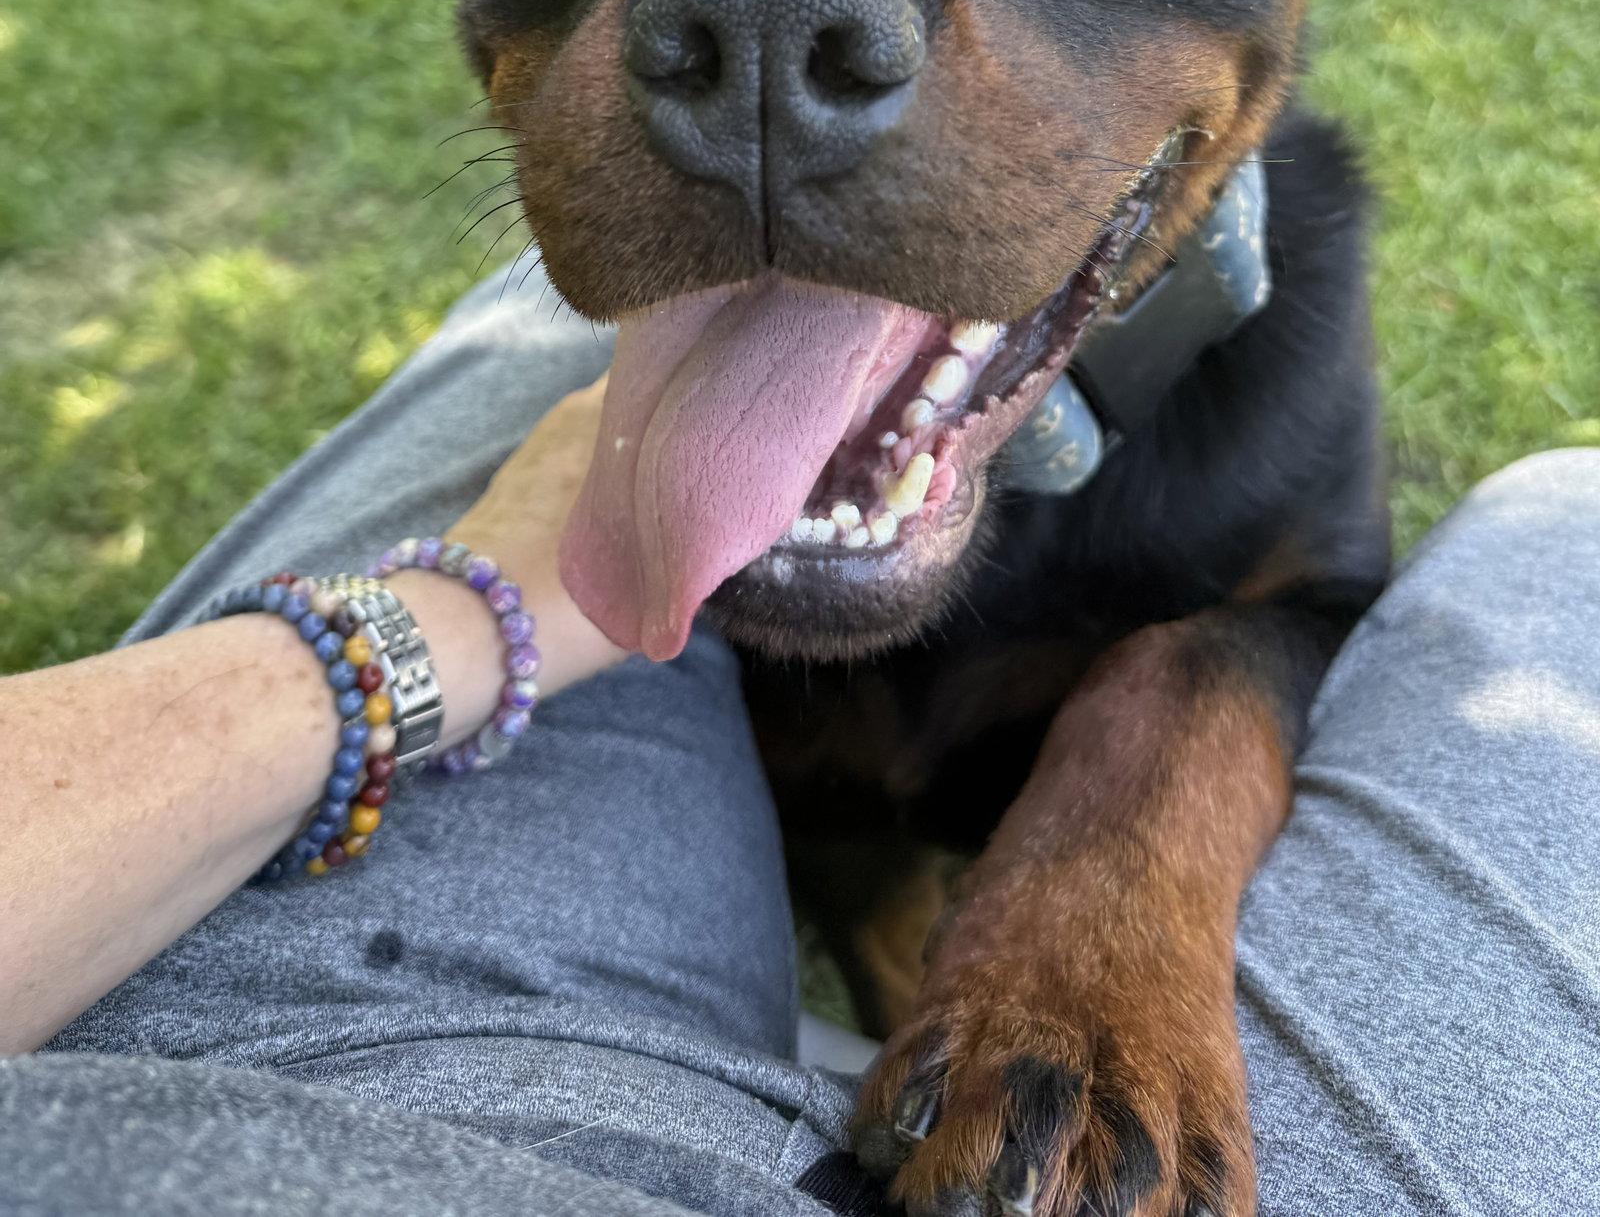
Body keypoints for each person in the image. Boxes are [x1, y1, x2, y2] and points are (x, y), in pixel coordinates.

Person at [1, 260, 1596, 1217]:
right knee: (1568, 519)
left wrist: (447, 623)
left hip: (304, 1066)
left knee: (623, 325)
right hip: (357, 1087)